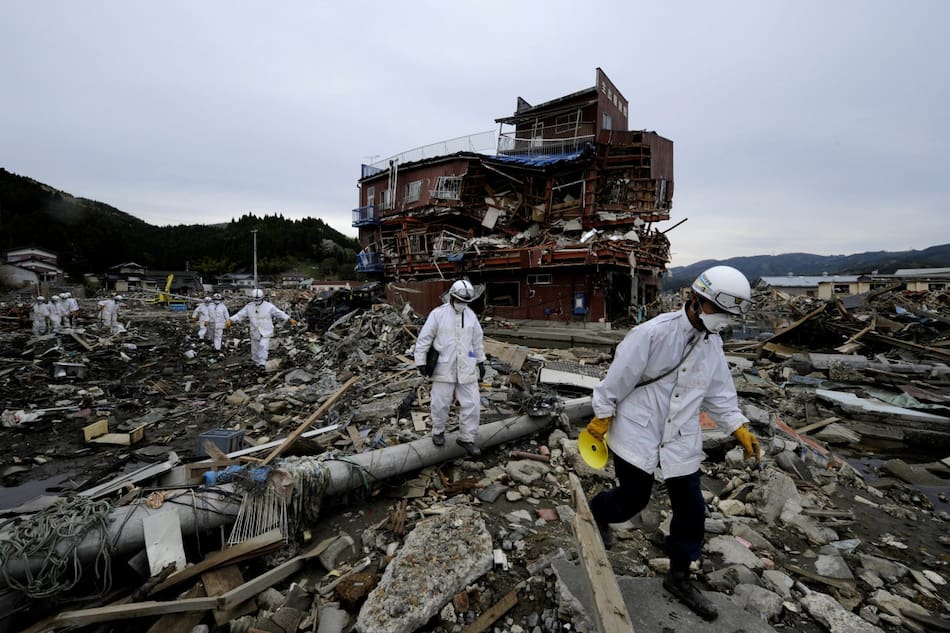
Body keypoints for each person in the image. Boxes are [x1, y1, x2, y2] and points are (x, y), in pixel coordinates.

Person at [585, 265, 761, 621]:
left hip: (680, 437)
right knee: (633, 499)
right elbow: (617, 378)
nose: (722, 320)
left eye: (729, 315)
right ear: (696, 300)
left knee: (692, 509)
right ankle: (598, 511)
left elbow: (719, 394)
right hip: (639, 429)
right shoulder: (651, 334)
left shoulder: (713, 345)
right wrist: (602, 415)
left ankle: (679, 577)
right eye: (719, 310)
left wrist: (738, 426)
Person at [413, 279, 487, 457]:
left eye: (465, 302)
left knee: (472, 404)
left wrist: (481, 361)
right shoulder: (438, 314)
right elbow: (425, 338)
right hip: (443, 367)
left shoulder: (471, 316)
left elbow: (477, 340)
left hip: (466, 367)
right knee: (440, 403)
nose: (462, 305)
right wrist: (421, 361)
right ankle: (438, 431)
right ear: (452, 297)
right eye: (460, 301)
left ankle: (466, 438)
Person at [226, 289, 296, 366]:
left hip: (266, 330)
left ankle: (262, 364)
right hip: (255, 331)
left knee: (263, 347)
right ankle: (256, 363)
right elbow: (240, 315)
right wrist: (231, 320)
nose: (256, 301)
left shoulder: (269, 306)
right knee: (255, 349)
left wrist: (288, 318)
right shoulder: (249, 307)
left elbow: (279, 313)